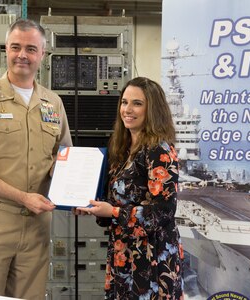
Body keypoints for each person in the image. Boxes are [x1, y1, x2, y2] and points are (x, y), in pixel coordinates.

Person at [0, 18, 72, 299]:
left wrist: (76, 193)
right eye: (16, 47)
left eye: (31, 49)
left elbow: (63, 160)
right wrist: (22, 197)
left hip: (36, 226)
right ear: (6, 49)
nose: (22, 55)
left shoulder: (53, 104)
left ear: (42, 54)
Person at [76, 77, 184, 299]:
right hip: (123, 254)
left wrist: (113, 212)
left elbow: (163, 212)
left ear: (152, 109)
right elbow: (114, 205)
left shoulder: (158, 150)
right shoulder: (122, 149)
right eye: (124, 102)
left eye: (137, 103)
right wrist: (94, 208)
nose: (128, 109)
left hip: (152, 258)